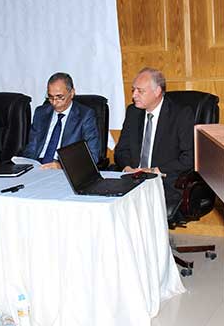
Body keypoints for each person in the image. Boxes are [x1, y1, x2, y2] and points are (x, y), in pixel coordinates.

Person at [114, 67, 194, 221]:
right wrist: (128, 168)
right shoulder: (133, 112)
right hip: (134, 176)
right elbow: (121, 150)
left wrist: (154, 170)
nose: (134, 95)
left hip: (165, 179)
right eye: (133, 90)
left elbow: (189, 158)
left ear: (157, 91)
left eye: (140, 91)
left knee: (139, 207)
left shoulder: (181, 114)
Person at [20, 72, 100, 169]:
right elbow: (31, 148)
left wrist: (61, 166)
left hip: (63, 169)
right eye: (50, 97)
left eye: (59, 97)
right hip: (39, 167)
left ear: (71, 93)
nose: (54, 102)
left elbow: (92, 156)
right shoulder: (41, 113)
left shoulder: (85, 115)